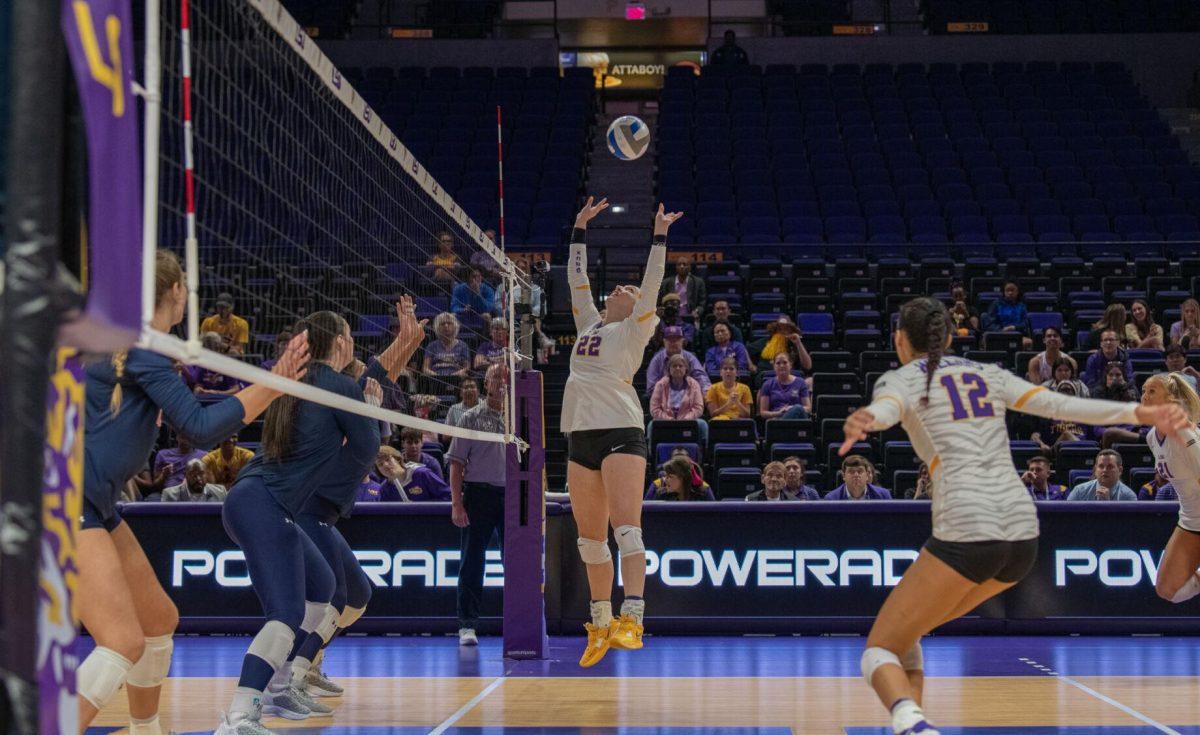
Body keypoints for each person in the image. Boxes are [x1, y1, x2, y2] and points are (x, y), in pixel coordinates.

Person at [836, 296, 1188, 735]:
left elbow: (887, 409)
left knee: (879, 650)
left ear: (899, 341)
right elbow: (1062, 407)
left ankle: (912, 723)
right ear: (947, 338)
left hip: (970, 523)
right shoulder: (984, 374)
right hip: (1022, 534)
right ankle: (914, 727)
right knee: (909, 634)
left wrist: (868, 416)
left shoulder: (902, 379)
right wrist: (1139, 412)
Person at [77, 250, 308, 735]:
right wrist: (275, 382)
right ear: (177, 291)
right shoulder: (137, 347)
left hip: (92, 502)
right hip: (63, 501)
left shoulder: (137, 347)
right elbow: (201, 427)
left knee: (158, 620)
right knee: (121, 641)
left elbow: (193, 411)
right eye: (184, 281)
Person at [214, 310, 379, 734]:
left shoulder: (296, 383)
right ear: (340, 343)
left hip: (254, 499)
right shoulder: (340, 386)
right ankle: (240, 714)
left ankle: (282, 686)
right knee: (285, 613)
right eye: (350, 337)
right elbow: (366, 448)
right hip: (264, 504)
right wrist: (371, 409)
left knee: (322, 587)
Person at [281, 298, 426, 705]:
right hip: (308, 509)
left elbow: (386, 369)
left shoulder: (349, 390)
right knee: (335, 598)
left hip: (323, 514)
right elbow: (367, 424)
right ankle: (292, 675)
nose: (364, 365)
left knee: (356, 597)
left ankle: (308, 663)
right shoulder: (329, 394)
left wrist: (409, 336)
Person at [563, 197, 682, 667]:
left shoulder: (636, 330)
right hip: (581, 434)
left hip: (621, 430)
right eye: (620, 286)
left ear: (638, 307)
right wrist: (578, 227)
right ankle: (600, 622)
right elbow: (577, 278)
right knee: (589, 541)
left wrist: (659, 235)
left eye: (627, 288)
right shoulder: (589, 323)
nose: (621, 287)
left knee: (627, 530)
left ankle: (633, 616)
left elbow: (652, 281)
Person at [448, 363, 510, 646]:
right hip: (479, 495)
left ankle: (519, 621)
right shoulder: (470, 418)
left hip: (512, 497)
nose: (501, 381)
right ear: (486, 384)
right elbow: (456, 464)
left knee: (517, 563)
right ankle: (467, 625)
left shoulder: (520, 415)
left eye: (505, 377)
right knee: (472, 562)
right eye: (496, 377)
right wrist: (457, 504)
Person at [1141, 373, 1200, 612]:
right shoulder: (1151, 437)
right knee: (1167, 590)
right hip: (1190, 518)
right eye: (1143, 390)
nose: (1144, 395)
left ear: (1171, 399)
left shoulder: (1183, 430)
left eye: (1152, 391)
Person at [649, 353, 709, 448]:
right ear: (669, 369)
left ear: (686, 369)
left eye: (680, 366)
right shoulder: (660, 384)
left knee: (703, 424)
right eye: (674, 366)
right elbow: (654, 409)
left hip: (687, 419)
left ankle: (705, 456)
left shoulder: (694, 384)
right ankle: (650, 456)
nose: (677, 368)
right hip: (666, 419)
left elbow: (698, 408)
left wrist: (686, 419)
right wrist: (668, 419)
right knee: (651, 425)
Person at [644, 326, 710, 396]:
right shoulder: (656, 359)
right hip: (663, 398)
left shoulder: (690, 357)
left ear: (682, 341)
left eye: (677, 339)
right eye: (670, 339)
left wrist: (706, 390)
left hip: (688, 396)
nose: (673, 343)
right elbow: (651, 387)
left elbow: (701, 376)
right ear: (664, 342)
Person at [375, 445, 450, 501]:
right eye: (380, 464)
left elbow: (447, 496)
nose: (385, 465)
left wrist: (422, 508)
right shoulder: (384, 489)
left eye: (388, 460)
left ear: (397, 459)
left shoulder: (422, 474)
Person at [757, 352, 811, 420]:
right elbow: (763, 412)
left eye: (785, 362)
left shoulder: (801, 382)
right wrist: (779, 413)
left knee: (798, 408)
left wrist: (791, 408)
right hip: (776, 420)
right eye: (778, 363)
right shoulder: (767, 384)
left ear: (790, 365)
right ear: (774, 366)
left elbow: (808, 408)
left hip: (797, 420)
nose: (782, 365)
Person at [1066, 449, 1137, 500]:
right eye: (1101, 466)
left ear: (1120, 470)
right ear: (1095, 469)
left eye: (1110, 467)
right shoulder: (1079, 491)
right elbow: (1067, 519)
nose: (1105, 470)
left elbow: (1128, 521)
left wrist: (1108, 505)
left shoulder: (1129, 496)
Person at [981, 281, 1032, 349]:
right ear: (1004, 292)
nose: (1010, 293)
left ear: (1017, 292)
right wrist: (1002, 330)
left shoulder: (1022, 306)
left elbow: (1025, 323)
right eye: (1007, 290)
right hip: (997, 334)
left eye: (1012, 290)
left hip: (1017, 335)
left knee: (1028, 342)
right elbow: (990, 323)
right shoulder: (996, 304)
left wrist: (1014, 327)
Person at [423, 312, 471, 381]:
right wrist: (438, 377)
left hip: (456, 379)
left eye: (449, 323)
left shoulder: (463, 346)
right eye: (442, 324)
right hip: (435, 380)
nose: (446, 326)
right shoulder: (431, 346)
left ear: (455, 326)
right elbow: (425, 368)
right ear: (437, 328)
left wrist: (453, 376)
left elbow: (467, 368)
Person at [1082, 329, 1134, 394]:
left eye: (1111, 340)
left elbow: (1130, 380)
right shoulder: (1093, 359)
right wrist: (1105, 387)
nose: (1108, 342)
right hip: (1100, 393)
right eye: (1105, 340)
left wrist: (1122, 386)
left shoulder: (1125, 358)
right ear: (1101, 344)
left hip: (1121, 391)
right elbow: (1090, 384)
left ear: (1118, 342)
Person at [706, 356, 753, 420]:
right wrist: (728, 404)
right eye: (725, 369)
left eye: (731, 369)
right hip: (721, 421)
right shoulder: (713, 388)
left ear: (737, 373)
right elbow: (713, 414)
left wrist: (737, 403)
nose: (728, 371)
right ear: (720, 372)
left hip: (739, 421)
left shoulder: (745, 388)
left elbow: (747, 415)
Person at [659, 259, 706, 323]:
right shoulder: (666, 283)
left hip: (690, 317)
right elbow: (660, 302)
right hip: (670, 316)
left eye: (684, 264)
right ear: (676, 267)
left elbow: (702, 303)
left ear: (689, 267)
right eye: (679, 264)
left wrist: (697, 311)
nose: (682, 266)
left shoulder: (698, 282)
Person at [825, 455, 892, 500]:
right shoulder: (831, 498)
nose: (856, 475)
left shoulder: (883, 496)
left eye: (860, 471)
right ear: (843, 476)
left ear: (867, 475)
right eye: (851, 471)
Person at [161, 459, 228, 503]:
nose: (198, 478)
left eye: (201, 474)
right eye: (193, 474)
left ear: (207, 474)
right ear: (185, 475)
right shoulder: (170, 495)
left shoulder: (220, 492)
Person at [651, 456, 715, 501]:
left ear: (684, 478)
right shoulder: (661, 495)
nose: (665, 480)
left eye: (670, 477)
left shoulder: (703, 494)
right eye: (666, 476)